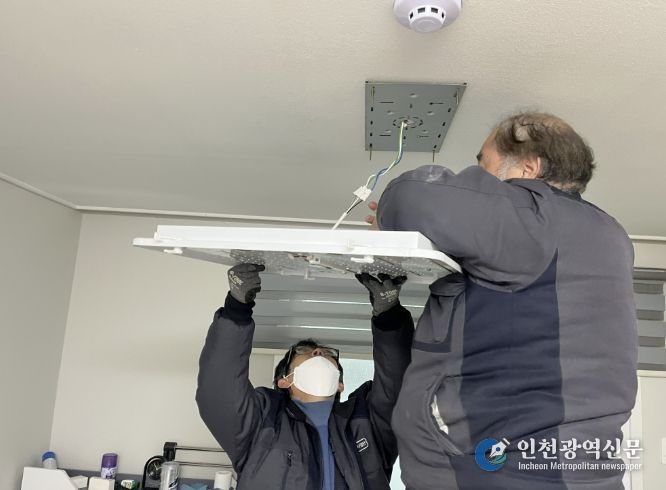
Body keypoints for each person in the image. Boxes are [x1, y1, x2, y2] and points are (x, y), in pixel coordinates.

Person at [366, 112, 638, 490]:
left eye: (484, 166)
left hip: (505, 472)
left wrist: (389, 212)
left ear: (529, 168)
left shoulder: (536, 218)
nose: (478, 182)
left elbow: (410, 198)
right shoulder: (606, 234)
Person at [196, 263, 414, 490]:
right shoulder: (262, 422)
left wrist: (389, 314)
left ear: (340, 384)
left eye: (328, 354)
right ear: (284, 380)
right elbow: (220, 391)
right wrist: (236, 308)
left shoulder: (365, 422)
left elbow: (398, 386)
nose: (318, 352)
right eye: (304, 351)